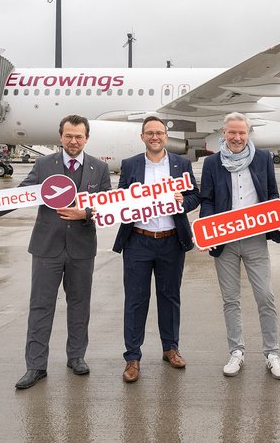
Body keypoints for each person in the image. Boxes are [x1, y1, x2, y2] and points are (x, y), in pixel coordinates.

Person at [0, 115, 111, 389]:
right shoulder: (44, 165)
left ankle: (76, 357)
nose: (73, 141)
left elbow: (107, 205)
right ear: (60, 137)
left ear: (87, 138)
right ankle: (36, 366)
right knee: (40, 306)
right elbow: (17, 196)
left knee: (80, 306)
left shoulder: (100, 168)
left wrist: (84, 213)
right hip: (47, 248)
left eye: (78, 137)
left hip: (82, 249)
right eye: (69, 136)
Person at [199, 112, 280, 379]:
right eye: (232, 132)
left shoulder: (262, 159)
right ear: (223, 133)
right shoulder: (212, 163)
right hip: (225, 240)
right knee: (230, 299)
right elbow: (207, 199)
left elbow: (272, 194)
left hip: (255, 238)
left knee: (265, 296)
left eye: (241, 132)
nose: (237, 137)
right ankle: (236, 351)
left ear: (248, 134)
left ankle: (272, 353)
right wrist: (207, 231)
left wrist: (278, 215)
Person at [112, 116, 200, 383]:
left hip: (171, 241)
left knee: (170, 298)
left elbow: (195, 196)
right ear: (142, 137)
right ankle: (132, 358)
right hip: (138, 241)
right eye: (149, 133)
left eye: (159, 133)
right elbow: (119, 199)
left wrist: (182, 201)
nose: (154, 137)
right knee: (135, 300)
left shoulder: (181, 164)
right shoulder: (130, 164)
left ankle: (170, 349)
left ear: (166, 136)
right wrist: (128, 201)